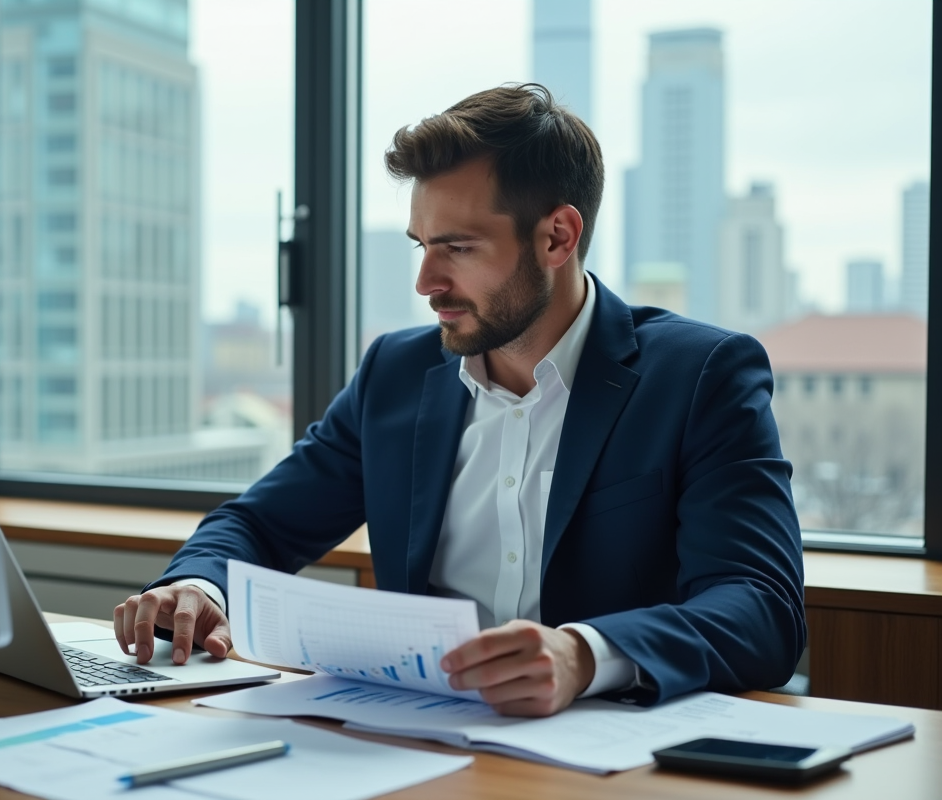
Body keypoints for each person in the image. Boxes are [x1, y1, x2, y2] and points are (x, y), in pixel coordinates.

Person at [114, 83, 805, 718]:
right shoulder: (396, 372)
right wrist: (200, 589)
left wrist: (584, 654)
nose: (425, 281)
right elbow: (259, 526)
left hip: (612, 753)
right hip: (411, 741)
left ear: (558, 236)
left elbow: (761, 608)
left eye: (458, 247)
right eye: (420, 244)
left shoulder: (700, 375)